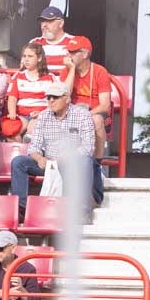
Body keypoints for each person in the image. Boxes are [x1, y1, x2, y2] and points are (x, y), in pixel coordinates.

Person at [10, 86, 102, 221]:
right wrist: (39, 158)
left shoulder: (82, 115)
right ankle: (22, 210)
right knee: (18, 162)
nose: (51, 101)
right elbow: (33, 147)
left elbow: (88, 147)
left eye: (55, 97)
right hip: (49, 163)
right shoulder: (43, 116)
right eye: (49, 98)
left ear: (67, 98)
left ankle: (81, 210)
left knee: (85, 160)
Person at [61, 35, 115, 159]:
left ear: (85, 54)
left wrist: (84, 115)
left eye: (73, 52)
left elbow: (105, 106)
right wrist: (72, 70)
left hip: (93, 113)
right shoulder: (67, 71)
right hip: (71, 112)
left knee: (96, 121)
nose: (69, 55)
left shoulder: (100, 71)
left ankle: (97, 162)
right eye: (68, 52)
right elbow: (64, 96)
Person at [5, 43, 60, 141]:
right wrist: (12, 113)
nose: (26, 59)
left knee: (32, 130)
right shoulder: (18, 76)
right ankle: (20, 154)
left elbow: (55, 101)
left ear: (39, 58)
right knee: (11, 132)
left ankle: (32, 153)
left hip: (41, 116)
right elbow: (12, 98)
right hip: (21, 116)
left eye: (30, 56)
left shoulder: (50, 77)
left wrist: (42, 113)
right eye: (24, 56)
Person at [30, 6, 73, 76]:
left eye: (49, 21)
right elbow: (25, 70)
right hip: (40, 85)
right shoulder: (34, 43)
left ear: (61, 23)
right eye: (42, 21)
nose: (44, 25)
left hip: (64, 85)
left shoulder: (74, 42)